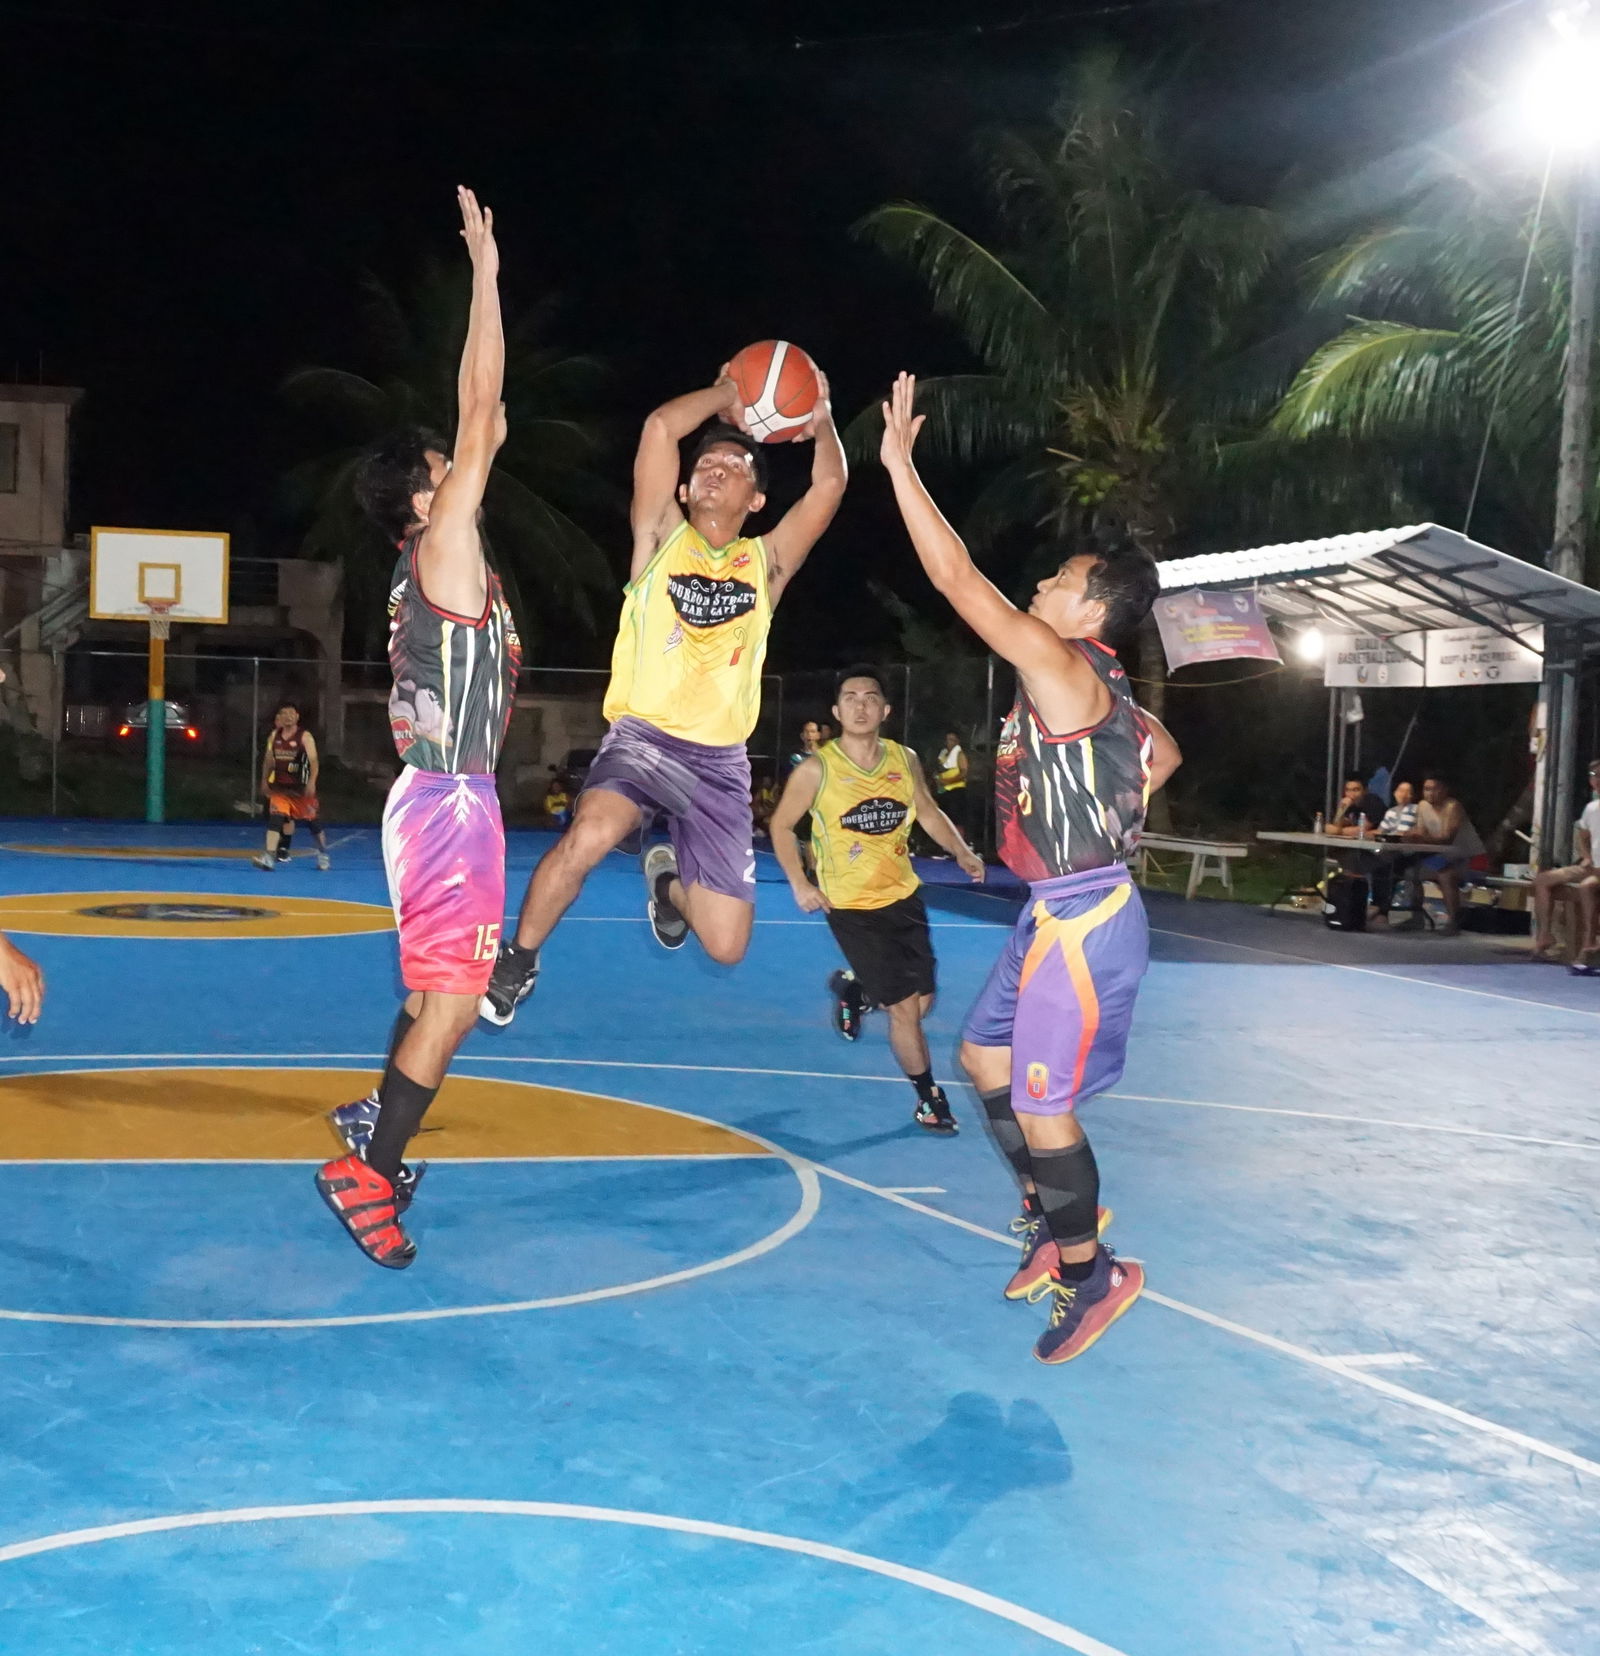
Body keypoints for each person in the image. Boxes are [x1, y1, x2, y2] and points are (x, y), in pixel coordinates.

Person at [880, 372, 1181, 1366]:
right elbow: (1162, 756)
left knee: (1042, 1104)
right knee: (982, 1064)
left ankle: (1096, 1273)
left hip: (1084, 920)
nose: (1040, 585)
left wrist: (898, 464)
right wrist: (1113, 798)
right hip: (1051, 910)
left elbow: (957, 582)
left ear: (1090, 605)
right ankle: (1054, 1224)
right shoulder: (1097, 684)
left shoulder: (1061, 663)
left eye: (1057, 577)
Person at [479, 363, 847, 1024]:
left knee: (727, 945)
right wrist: (731, 397)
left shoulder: (767, 562)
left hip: (720, 767)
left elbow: (830, 483)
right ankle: (520, 957)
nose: (717, 467)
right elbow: (659, 427)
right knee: (590, 834)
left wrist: (818, 420)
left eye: (735, 465)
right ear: (682, 485)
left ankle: (666, 885)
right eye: (707, 462)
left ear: (757, 500)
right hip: (643, 740)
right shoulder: (659, 536)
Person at [316, 186, 522, 1268]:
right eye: (445, 465)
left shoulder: (440, 560)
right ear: (421, 498)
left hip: (442, 799)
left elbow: (483, 422)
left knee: (434, 993)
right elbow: (483, 404)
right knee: (451, 1000)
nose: (465, 463)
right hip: (449, 802)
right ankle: (372, 1170)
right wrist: (485, 272)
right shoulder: (441, 547)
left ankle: (374, 1128)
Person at [770, 665, 985, 1133]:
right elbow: (781, 826)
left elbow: (926, 810)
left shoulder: (903, 759)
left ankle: (856, 989)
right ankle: (929, 1097)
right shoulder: (817, 769)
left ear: (885, 710)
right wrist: (800, 883)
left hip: (903, 896)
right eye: (850, 697)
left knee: (922, 1002)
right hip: (849, 906)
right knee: (906, 1010)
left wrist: (961, 851)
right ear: (836, 711)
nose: (861, 705)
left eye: (870, 697)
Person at [1531, 757, 1600, 970]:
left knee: (1587, 885)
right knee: (1543, 879)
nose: (1597, 780)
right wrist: (1586, 855)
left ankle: (1588, 943)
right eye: (1594, 776)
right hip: (1593, 865)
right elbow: (1583, 835)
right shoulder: (1591, 808)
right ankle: (1544, 935)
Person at [1399, 771, 1487, 936]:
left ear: (1445, 790)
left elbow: (1447, 837)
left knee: (1445, 875)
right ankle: (1416, 916)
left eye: (1434, 789)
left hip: (1467, 858)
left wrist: (1420, 837)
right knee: (1411, 873)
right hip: (1442, 857)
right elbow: (1422, 832)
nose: (1430, 793)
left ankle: (1453, 921)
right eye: (1426, 789)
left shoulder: (1453, 807)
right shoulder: (1423, 806)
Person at [252, 703, 331, 871]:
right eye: (284, 713)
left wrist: (312, 782)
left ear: (297, 717)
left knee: (313, 824)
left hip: (300, 789)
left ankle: (323, 853)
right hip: (280, 789)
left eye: (291, 713)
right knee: (276, 819)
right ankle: (269, 856)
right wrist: (264, 780)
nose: (288, 716)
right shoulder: (275, 735)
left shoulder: (305, 737)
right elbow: (269, 760)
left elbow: (314, 762)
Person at [1367, 779, 1419, 922]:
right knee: (1376, 862)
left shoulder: (1416, 810)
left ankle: (1381, 910)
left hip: (1407, 853)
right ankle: (1378, 908)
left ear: (1412, 796)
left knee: (1385, 866)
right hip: (1389, 851)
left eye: (1408, 791)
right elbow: (1381, 831)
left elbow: (1407, 833)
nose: (1404, 794)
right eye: (1401, 790)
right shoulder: (1391, 812)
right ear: (1395, 793)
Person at [933, 730, 970, 841]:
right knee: (944, 818)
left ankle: (960, 844)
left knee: (956, 819)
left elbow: (963, 772)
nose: (949, 742)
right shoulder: (943, 754)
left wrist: (949, 781)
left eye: (952, 740)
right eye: (948, 740)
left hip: (956, 790)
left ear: (957, 741)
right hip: (943, 790)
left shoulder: (960, 754)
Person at [1331, 773, 1386, 837]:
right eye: (1347, 790)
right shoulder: (1350, 804)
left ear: (1365, 791)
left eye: (1355, 790)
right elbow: (1337, 825)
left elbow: (1362, 830)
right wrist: (1341, 809)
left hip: (1379, 843)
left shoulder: (1373, 802)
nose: (1351, 794)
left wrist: (1338, 831)